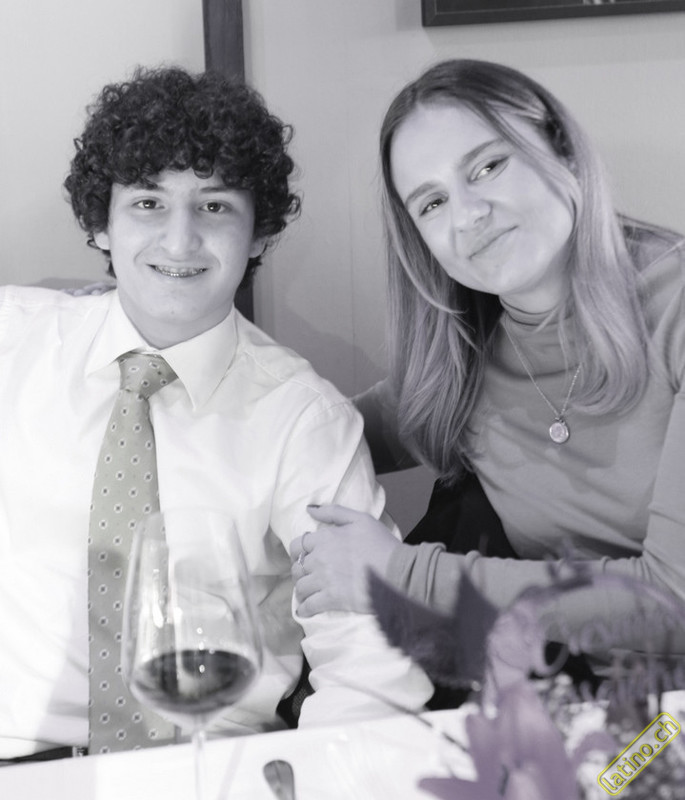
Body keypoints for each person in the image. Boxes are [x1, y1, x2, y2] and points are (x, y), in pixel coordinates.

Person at [0, 66, 432, 762]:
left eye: (215, 207)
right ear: (101, 223)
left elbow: (369, 652)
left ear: (258, 234)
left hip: (212, 763)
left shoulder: (302, 419)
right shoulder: (12, 343)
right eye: (148, 203)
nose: (179, 241)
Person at [290, 59, 685, 669]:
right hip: (590, 700)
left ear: (562, 149)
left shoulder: (675, 308)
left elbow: (673, 603)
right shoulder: (463, 361)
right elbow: (314, 438)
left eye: (488, 167)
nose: (468, 215)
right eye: (432, 202)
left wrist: (400, 574)